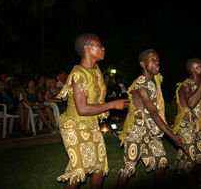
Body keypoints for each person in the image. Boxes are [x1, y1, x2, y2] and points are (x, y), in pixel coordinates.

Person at [56, 33, 129, 189]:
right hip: (74, 127)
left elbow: (96, 99)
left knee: (99, 168)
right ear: (87, 48)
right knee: (78, 173)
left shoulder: (95, 70)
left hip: (90, 124)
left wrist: (103, 110)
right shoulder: (78, 74)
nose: (103, 48)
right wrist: (112, 105)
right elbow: (82, 109)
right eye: (99, 45)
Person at [117, 49, 187, 189]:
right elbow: (153, 112)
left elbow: (157, 106)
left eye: (157, 59)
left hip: (152, 131)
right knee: (129, 169)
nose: (157, 62)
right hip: (136, 131)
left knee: (161, 162)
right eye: (152, 60)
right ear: (142, 64)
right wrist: (172, 136)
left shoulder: (155, 80)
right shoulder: (141, 85)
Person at [171, 58, 201, 176]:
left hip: (196, 127)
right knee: (190, 159)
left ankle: (195, 178)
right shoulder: (186, 86)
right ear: (193, 69)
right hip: (186, 128)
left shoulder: (197, 85)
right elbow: (191, 104)